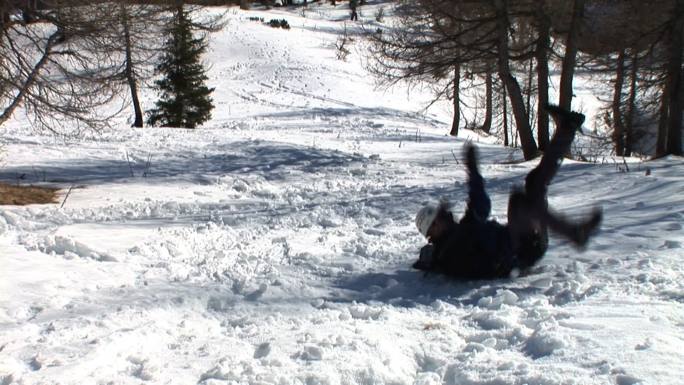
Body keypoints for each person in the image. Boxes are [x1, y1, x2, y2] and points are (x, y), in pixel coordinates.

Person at [413, 105, 602, 280]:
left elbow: (480, 206)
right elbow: (479, 214)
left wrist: (473, 171)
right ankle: (575, 233)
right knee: (520, 201)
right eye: (441, 217)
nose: (447, 216)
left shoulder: (459, 234)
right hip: (521, 251)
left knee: (534, 184)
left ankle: (566, 129)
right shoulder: (451, 249)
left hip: (521, 243)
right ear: (433, 229)